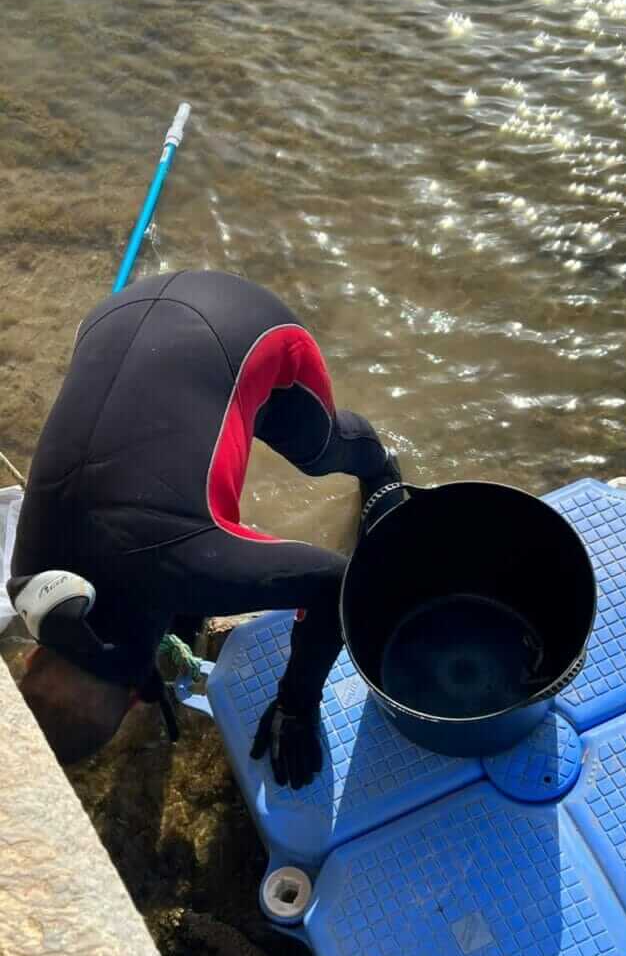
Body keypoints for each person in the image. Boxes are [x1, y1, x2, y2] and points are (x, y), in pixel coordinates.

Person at [7, 270, 401, 789]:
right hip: (115, 319)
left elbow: (334, 582)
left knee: (318, 450)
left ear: (132, 700)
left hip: (248, 327)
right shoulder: (27, 581)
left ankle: (382, 465)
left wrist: (297, 703)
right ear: (32, 654)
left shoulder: (190, 562)